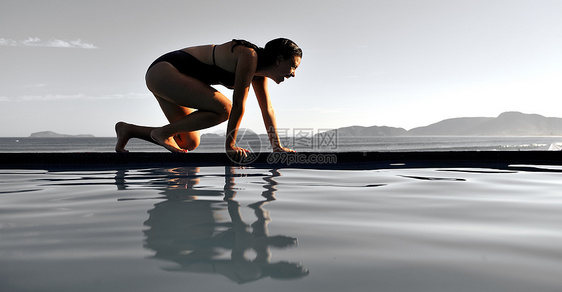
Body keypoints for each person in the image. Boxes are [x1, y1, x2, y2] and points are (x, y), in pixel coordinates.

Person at [115, 38, 302, 160]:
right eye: (293, 66)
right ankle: (162, 133)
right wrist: (230, 146)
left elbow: (267, 108)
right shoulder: (249, 56)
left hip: (169, 78)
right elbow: (238, 104)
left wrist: (277, 147)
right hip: (165, 71)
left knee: (188, 142)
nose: (293, 74)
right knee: (226, 109)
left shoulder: (258, 74)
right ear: (278, 60)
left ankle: (128, 130)